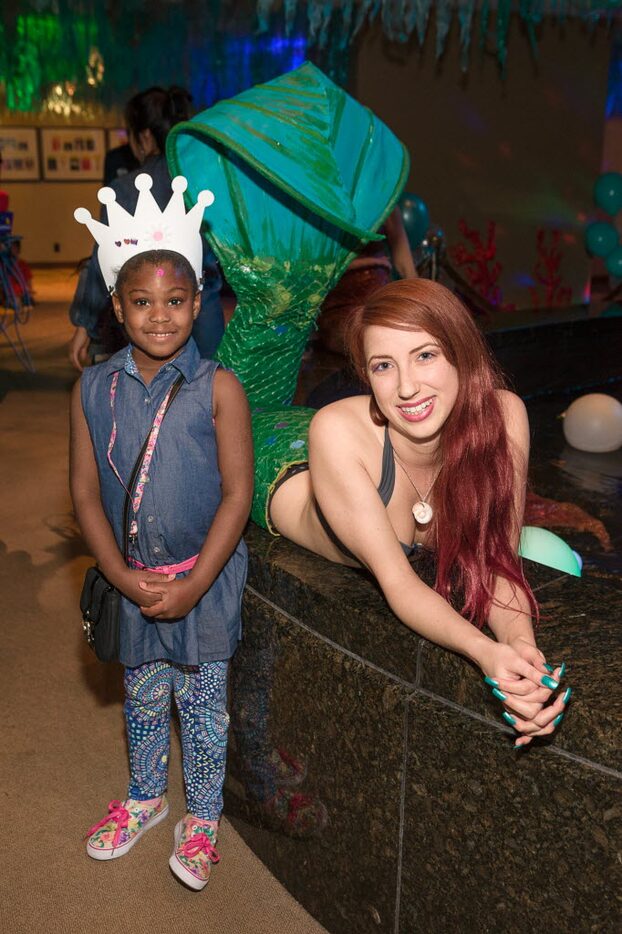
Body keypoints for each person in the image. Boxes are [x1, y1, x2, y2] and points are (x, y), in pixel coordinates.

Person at [244, 279, 570, 749]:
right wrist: (485, 653)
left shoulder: (506, 418)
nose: (407, 386)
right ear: (367, 376)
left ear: (461, 352)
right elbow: (398, 583)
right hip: (271, 460)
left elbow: (497, 560)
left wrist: (521, 650)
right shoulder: (334, 430)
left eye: (425, 355)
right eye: (383, 366)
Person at [70, 176, 252, 889]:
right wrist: (120, 576)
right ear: (117, 307)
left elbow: (238, 494)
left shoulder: (219, 389)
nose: (159, 317)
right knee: (143, 699)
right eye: (141, 302)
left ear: (197, 303)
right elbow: (85, 492)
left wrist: (198, 581)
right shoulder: (92, 390)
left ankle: (201, 818)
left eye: (175, 302)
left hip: (202, 581)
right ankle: (146, 798)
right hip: (136, 580)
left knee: (204, 710)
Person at [69, 86, 224, 370]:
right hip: (205, 315)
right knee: (207, 393)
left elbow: (103, 262)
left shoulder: (125, 189)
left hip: (146, 318)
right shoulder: (206, 185)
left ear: (144, 136)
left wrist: (84, 325)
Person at [316, 205, 418, 354]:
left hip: (376, 288)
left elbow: (404, 264)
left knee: (399, 333)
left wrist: (424, 304)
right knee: (359, 338)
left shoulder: (385, 195)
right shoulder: (320, 192)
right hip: (336, 293)